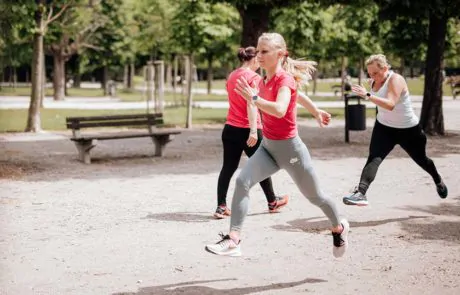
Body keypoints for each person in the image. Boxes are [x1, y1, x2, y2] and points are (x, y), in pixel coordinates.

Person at [205, 32, 349, 257]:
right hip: (268, 148)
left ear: (281, 54)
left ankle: (338, 227)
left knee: (315, 197)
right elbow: (298, 97)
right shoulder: (264, 80)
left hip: (291, 151)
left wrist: (255, 99)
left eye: (264, 52)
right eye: (258, 51)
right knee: (242, 181)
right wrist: (316, 111)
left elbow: (281, 109)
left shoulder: (285, 79)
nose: (259, 55)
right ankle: (234, 239)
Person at [343, 54, 448, 206]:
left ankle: (438, 180)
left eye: (376, 73)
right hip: (384, 128)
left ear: (385, 68)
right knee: (374, 157)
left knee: (422, 160)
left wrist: (367, 95)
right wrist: (371, 89)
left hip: (409, 130)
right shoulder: (374, 81)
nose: (372, 76)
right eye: (370, 74)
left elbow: (390, 104)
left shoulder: (396, 80)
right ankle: (361, 193)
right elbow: (379, 98)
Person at [214, 46, 289, 219]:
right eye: (260, 57)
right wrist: (253, 131)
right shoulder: (254, 77)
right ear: (254, 59)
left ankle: (221, 206)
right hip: (248, 129)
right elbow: (251, 103)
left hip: (230, 129)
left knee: (228, 168)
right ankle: (272, 202)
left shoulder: (232, 75)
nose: (262, 61)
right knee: (262, 165)